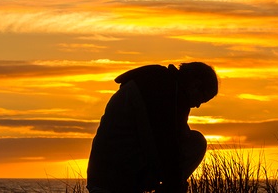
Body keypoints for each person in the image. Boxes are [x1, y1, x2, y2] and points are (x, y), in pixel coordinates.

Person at [87, 62, 218, 193]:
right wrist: (174, 184)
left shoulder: (161, 85)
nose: (198, 105)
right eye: (202, 98)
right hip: (114, 178)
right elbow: (164, 142)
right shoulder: (160, 90)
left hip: (105, 174)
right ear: (195, 85)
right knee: (197, 143)